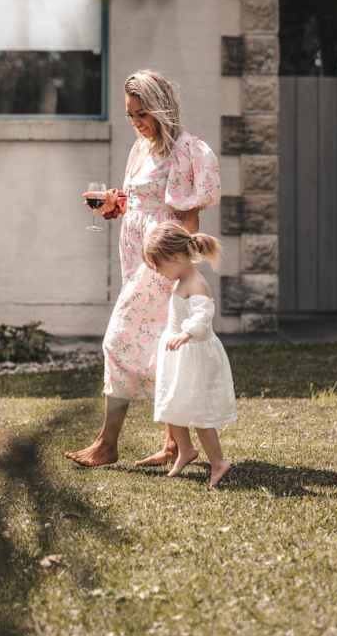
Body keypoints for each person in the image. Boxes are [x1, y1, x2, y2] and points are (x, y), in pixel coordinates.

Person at [65, 69, 220, 468]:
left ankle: (106, 443)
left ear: (161, 109)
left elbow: (188, 221)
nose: (136, 123)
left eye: (141, 114)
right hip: (134, 255)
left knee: (117, 340)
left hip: (160, 261)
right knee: (156, 344)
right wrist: (116, 205)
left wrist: (177, 272)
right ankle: (174, 444)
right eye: (130, 115)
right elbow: (139, 201)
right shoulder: (141, 148)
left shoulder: (186, 151)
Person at [143, 221, 236, 488]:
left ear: (174, 257)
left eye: (159, 267)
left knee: (198, 412)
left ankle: (218, 462)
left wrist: (186, 334)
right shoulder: (182, 278)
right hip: (177, 352)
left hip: (194, 354)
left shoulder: (195, 283)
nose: (159, 273)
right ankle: (185, 450)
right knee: (173, 404)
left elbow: (203, 315)